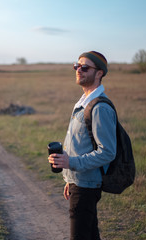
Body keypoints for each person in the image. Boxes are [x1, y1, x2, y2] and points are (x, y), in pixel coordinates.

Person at [48, 51, 117, 240]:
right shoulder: (83, 103)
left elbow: (107, 152)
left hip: (87, 186)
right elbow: (81, 145)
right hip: (78, 183)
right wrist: (69, 178)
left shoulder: (100, 107)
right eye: (76, 66)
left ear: (99, 73)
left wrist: (71, 163)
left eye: (85, 67)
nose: (79, 70)